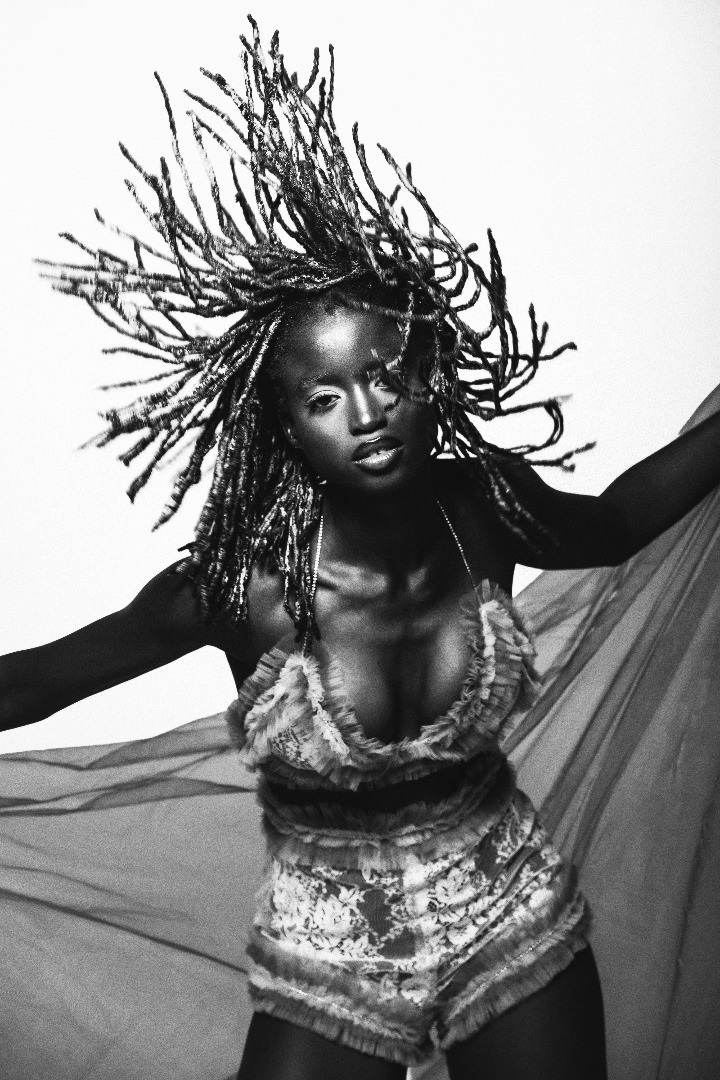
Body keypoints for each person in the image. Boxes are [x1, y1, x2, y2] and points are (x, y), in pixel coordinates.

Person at [1, 18, 719, 1080]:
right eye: (325, 397)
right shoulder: (239, 587)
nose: (370, 415)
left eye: (388, 375)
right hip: (331, 949)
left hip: (509, 910)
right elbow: (36, 683)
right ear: (285, 425)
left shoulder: (483, 505)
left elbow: (613, 523)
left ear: (429, 373)